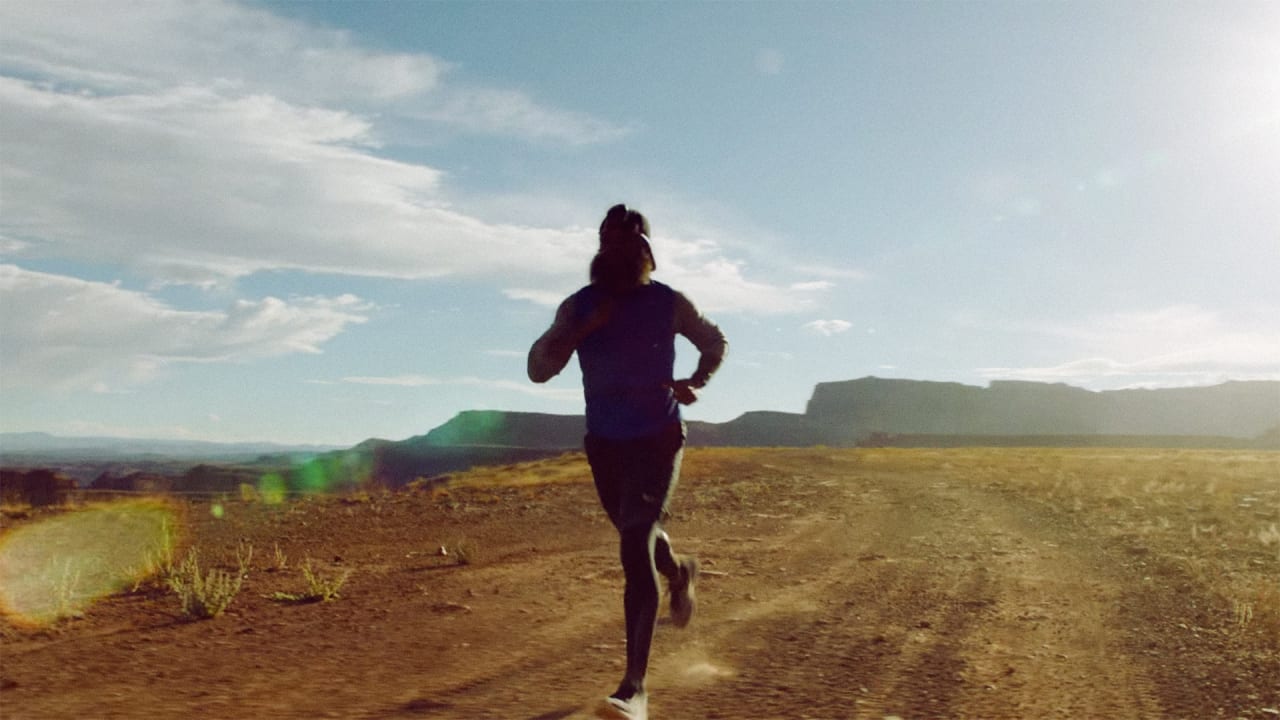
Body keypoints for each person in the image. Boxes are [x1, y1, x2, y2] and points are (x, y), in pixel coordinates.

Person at [528, 204, 727, 720]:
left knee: (634, 543)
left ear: (645, 250)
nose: (613, 251)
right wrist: (580, 329)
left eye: (625, 242)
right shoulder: (579, 306)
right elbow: (537, 369)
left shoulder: (668, 303)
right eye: (606, 242)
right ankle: (679, 572)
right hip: (605, 444)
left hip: (658, 437)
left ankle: (634, 689)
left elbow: (713, 340)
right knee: (636, 536)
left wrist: (695, 382)